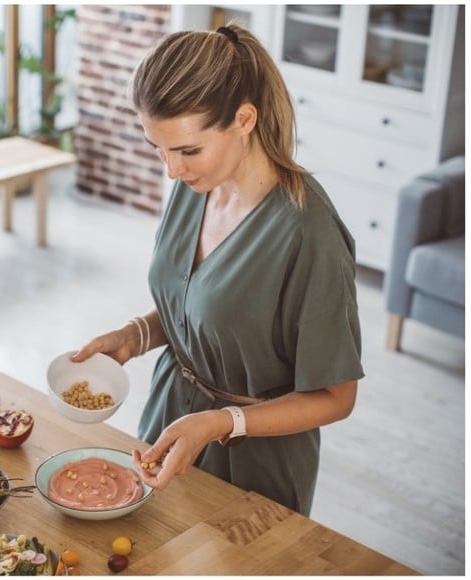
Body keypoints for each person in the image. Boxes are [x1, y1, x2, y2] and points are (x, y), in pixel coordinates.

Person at [70, 23, 364, 516]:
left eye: (187, 150)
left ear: (244, 119)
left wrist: (220, 423)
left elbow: (336, 396)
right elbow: (201, 305)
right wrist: (134, 336)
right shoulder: (195, 187)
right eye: (157, 148)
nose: (172, 170)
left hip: (258, 459)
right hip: (170, 421)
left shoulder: (308, 233)